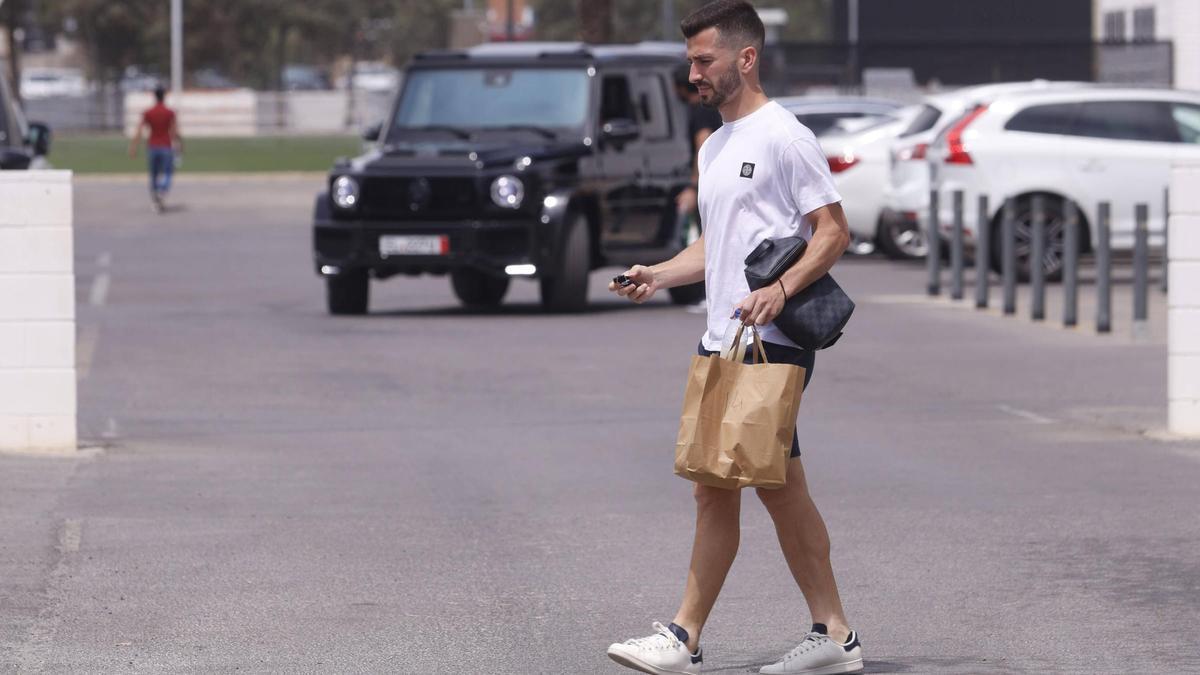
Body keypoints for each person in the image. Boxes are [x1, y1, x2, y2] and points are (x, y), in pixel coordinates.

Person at [605, 2, 863, 674]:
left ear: (745, 59)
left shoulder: (785, 136)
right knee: (777, 487)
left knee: (716, 486)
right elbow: (719, 244)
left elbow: (833, 230)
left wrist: (781, 290)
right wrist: (659, 274)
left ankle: (684, 636)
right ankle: (834, 635)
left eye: (704, 60)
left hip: (771, 340)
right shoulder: (715, 143)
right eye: (691, 60)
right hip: (722, 338)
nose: (693, 72)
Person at [128, 85, 183, 212]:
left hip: (153, 146)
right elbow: (175, 131)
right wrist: (179, 145)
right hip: (166, 146)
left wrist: (133, 147)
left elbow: (139, 130)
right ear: (164, 96)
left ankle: (156, 195)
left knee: (154, 174)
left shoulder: (148, 112)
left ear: (154, 96)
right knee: (168, 172)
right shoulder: (169, 113)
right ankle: (162, 190)